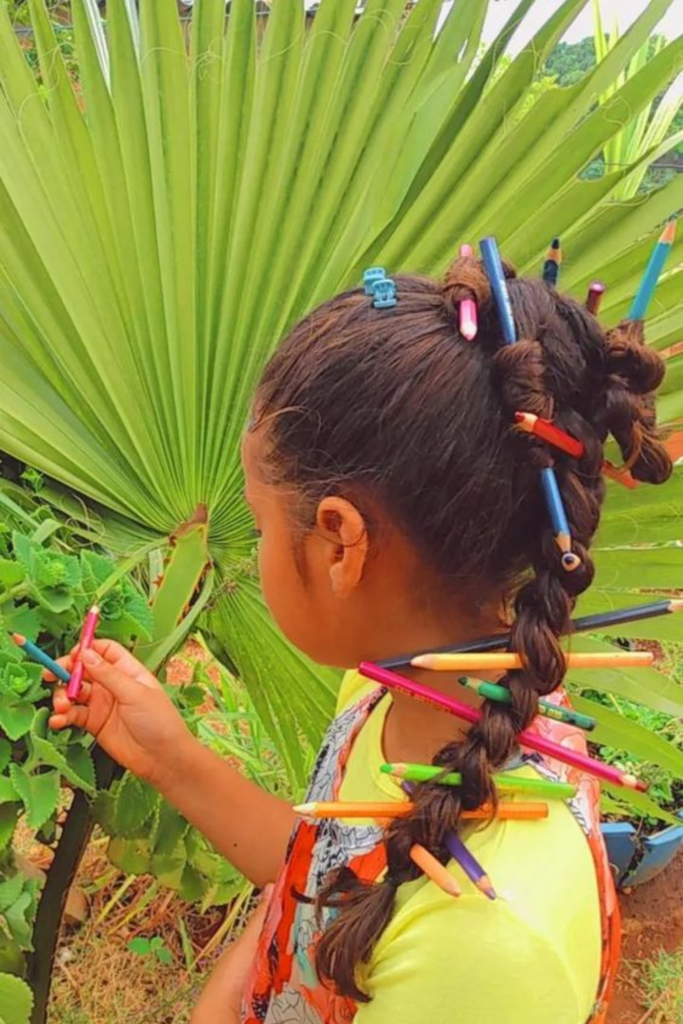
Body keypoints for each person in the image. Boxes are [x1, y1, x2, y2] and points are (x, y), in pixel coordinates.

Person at [48, 250, 672, 1024]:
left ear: (341, 545)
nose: (254, 544)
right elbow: (325, 872)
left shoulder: (486, 951)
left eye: (262, 520)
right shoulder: (410, 682)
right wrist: (168, 755)